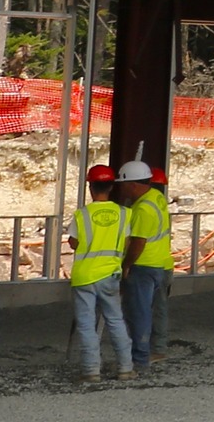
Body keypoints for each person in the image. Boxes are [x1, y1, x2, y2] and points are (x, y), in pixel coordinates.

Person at [68, 163, 134, 382]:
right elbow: (126, 243)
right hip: (110, 275)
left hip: (85, 276)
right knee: (115, 320)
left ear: (90, 187)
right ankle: (125, 368)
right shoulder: (124, 214)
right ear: (112, 187)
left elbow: (74, 243)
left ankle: (91, 371)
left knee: (87, 325)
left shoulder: (81, 215)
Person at [118, 158, 172, 367]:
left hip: (144, 265)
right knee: (155, 310)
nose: (121, 189)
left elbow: (138, 243)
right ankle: (155, 350)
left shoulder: (143, 210)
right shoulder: (156, 197)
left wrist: (126, 265)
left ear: (132, 184)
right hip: (160, 263)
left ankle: (140, 357)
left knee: (138, 313)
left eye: (123, 184)